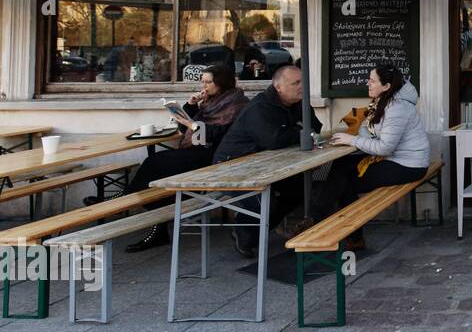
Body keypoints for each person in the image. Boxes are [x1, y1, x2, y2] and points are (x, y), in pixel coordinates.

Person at [109, 65, 248, 253]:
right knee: (158, 175)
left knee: (155, 163)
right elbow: (185, 131)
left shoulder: (236, 103)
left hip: (214, 156)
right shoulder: (209, 102)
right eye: (202, 81)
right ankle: (154, 225)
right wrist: (190, 106)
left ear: (221, 83)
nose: (204, 85)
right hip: (197, 151)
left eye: (208, 82)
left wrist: (192, 124)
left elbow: (220, 135)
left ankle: (126, 198)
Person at [315, 64, 430, 251]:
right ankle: (337, 231)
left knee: (343, 182)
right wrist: (356, 139)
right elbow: (365, 130)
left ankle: (318, 225)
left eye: (372, 80)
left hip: (408, 166)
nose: (367, 83)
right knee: (341, 166)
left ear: (386, 86)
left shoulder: (397, 108)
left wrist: (352, 140)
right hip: (393, 160)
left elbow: (384, 147)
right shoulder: (380, 103)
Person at [213, 65, 322, 257]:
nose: (302, 87)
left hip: (266, 165)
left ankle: (255, 230)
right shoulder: (260, 107)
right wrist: (300, 131)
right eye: (296, 83)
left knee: (298, 187)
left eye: (303, 82)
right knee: (264, 197)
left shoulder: (299, 104)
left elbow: (315, 129)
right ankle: (244, 234)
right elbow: (273, 139)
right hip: (232, 166)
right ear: (278, 87)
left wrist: (300, 131)